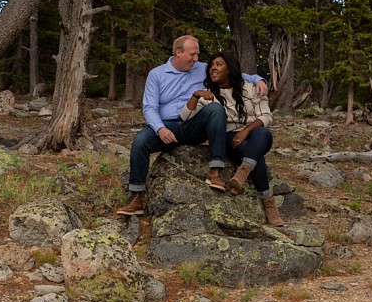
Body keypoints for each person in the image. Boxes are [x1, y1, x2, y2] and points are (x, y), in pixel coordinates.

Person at [116, 36, 267, 217]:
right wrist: (160, 129)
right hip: (168, 126)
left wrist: (259, 80)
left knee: (215, 109)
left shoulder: (201, 69)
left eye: (197, 54)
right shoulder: (157, 74)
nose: (196, 58)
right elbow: (149, 108)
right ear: (178, 52)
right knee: (140, 141)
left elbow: (235, 73)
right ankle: (136, 197)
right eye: (192, 54)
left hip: (195, 123)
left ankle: (216, 171)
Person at [180, 52, 282, 227]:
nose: (213, 68)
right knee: (257, 156)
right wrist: (195, 96)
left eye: (218, 64)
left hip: (252, 135)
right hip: (228, 139)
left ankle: (243, 171)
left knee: (263, 133)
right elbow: (185, 117)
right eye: (211, 65)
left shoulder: (250, 88)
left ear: (230, 69)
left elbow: (266, 116)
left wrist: (244, 132)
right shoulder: (210, 94)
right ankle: (268, 202)